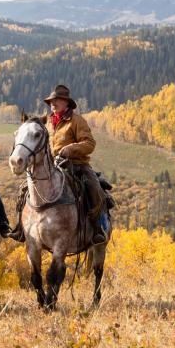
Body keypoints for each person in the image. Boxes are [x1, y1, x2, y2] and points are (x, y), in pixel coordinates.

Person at [43, 84, 108, 244]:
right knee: (27, 188)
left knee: (94, 188)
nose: (52, 103)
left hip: (77, 166)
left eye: (57, 100)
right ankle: (23, 228)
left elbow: (90, 144)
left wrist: (70, 149)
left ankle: (97, 228)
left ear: (66, 102)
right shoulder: (48, 123)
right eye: (51, 101)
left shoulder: (77, 121)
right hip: (52, 168)